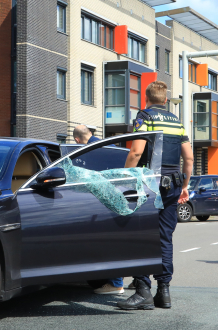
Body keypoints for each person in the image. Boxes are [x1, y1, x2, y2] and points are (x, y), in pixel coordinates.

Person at [118, 81, 193, 310]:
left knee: (140, 234)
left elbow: (136, 151)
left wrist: (125, 178)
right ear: (165, 99)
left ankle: (142, 290)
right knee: (164, 237)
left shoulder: (145, 116)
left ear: (147, 98)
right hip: (172, 184)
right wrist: (184, 186)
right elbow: (189, 159)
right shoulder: (177, 121)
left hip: (148, 182)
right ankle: (164, 292)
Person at [73, 125, 124, 294]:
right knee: (123, 239)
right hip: (122, 197)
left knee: (108, 241)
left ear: (77, 140)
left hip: (102, 201)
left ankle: (116, 283)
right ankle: (139, 281)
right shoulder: (112, 147)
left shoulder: (87, 152)